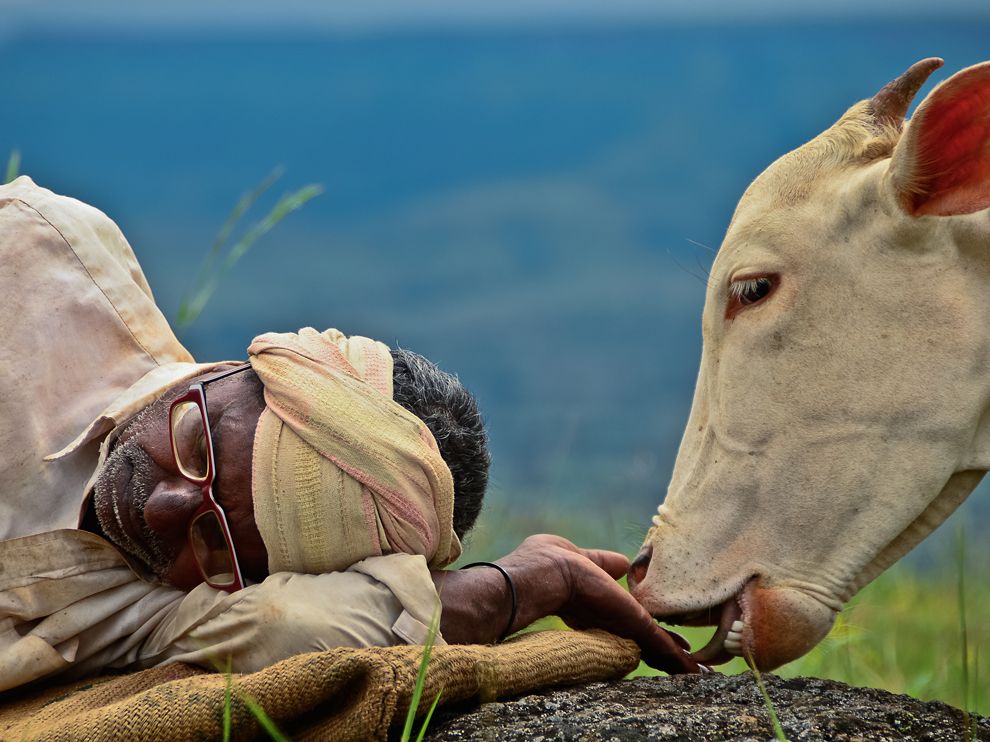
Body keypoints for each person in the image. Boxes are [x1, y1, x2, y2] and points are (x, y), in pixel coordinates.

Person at [0, 176, 698, 693]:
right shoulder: (39, 259)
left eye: (213, 541)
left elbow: (300, 627)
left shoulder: (166, 606)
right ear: (234, 371)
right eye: (197, 444)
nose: (163, 508)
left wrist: (517, 585)